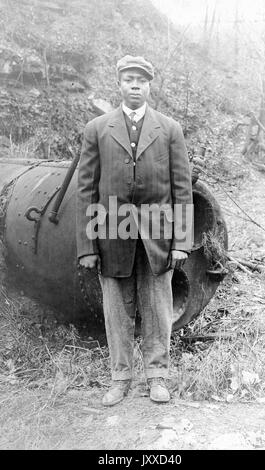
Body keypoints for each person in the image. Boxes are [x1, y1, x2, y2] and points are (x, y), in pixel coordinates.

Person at [76, 55, 193, 406]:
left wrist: (181, 242)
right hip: (110, 230)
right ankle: (120, 378)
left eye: (141, 80)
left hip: (158, 235)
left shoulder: (169, 129)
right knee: (116, 308)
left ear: (150, 85)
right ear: (119, 84)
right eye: (129, 79)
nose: (135, 86)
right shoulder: (97, 129)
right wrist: (87, 245)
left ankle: (157, 378)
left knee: (158, 306)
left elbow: (182, 189)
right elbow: (85, 190)